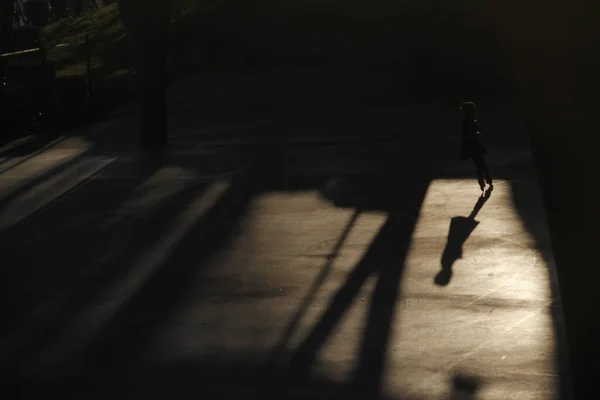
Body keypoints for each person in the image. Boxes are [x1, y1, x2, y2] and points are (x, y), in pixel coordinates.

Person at [460, 101, 493, 191]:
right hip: (474, 144)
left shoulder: (466, 121)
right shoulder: (469, 121)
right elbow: (472, 132)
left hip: (472, 144)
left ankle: (483, 179)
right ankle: (485, 179)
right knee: (480, 163)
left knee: (479, 163)